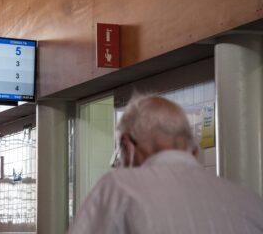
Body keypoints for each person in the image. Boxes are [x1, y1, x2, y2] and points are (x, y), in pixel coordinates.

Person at [69, 94, 263, 234]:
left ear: (128, 146)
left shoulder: (120, 186)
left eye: (119, 153)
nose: (117, 164)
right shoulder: (250, 201)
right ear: (193, 149)